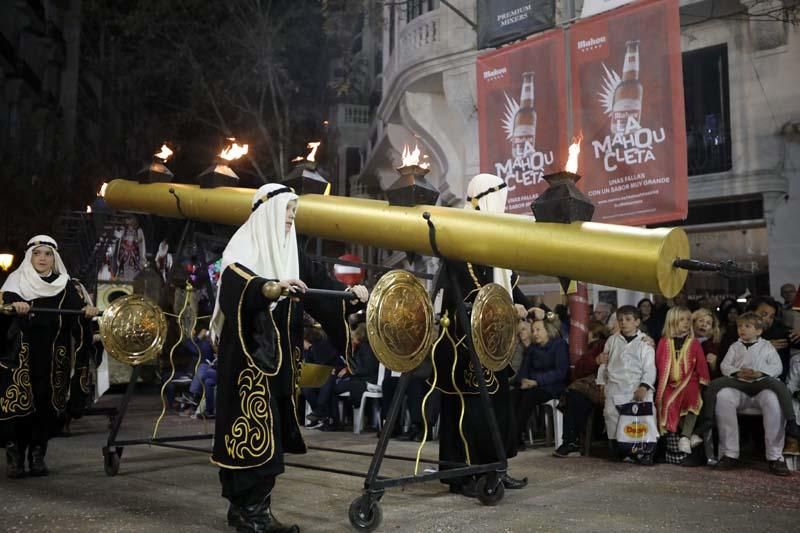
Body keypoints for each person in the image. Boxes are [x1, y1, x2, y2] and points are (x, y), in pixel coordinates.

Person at [210, 184, 368, 533]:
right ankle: (251, 513)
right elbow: (238, 287)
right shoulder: (242, 248)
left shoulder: (292, 252)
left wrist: (350, 297)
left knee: (273, 436)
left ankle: (252, 510)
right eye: (287, 212)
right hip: (248, 363)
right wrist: (270, 288)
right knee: (252, 434)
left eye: (294, 213)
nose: (291, 219)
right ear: (268, 213)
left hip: (282, 363)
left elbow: (321, 289)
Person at [433, 173, 531, 496]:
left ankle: (496, 469)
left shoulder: (496, 241)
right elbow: (463, 291)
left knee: (498, 405)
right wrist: (498, 308)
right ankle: (464, 475)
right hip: (464, 344)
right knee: (470, 409)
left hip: (493, 343)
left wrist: (529, 307)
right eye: (499, 199)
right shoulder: (458, 239)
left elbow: (509, 284)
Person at [0, 235, 99, 478]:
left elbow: (77, 317)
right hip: (21, 355)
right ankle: (15, 457)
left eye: (47, 254)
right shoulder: (14, 282)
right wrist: (16, 310)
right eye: (37, 253)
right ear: (29, 256)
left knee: (46, 404)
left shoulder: (67, 285)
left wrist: (87, 313)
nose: (42, 258)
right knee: (19, 406)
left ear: (54, 258)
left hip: (55, 355)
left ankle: (37, 455)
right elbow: (3, 317)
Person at [712, 312, 793, 475]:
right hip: (739, 388)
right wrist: (738, 373)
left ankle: (775, 456)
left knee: (773, 399)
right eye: (740, 326)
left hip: (761, 389)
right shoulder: (735, 346)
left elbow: (777, 367)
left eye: (747, 326)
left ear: (759, 331)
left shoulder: (767, 346)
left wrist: (759, 373)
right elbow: (725, 366)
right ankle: (730, 453)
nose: (742, 329)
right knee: (723, 396)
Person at [596, 305, 656, 464]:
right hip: (615, 385)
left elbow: (650, 368)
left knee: (643, 418)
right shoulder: (612, 340)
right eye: (620, 319)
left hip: (637, 386)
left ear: (637, 322)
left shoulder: (644, 343)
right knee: (611, 415)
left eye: (628, 319)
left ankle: (644, 452)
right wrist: (602, 382)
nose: (623, 323)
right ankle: (619, 449)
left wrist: (644, 386)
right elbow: (604, 362)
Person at [654, 307, 710, 463]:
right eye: (682, 320)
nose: (686, 323)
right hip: (669, 385)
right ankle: (687, 436)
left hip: (690, 381)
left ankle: (685, 436)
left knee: (691, 395)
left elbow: (701, 365)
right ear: (672, 322)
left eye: (688, 320)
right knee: (666, 401)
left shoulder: (693, 343)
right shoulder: (664, 342)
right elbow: (659, 364)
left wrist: (703, 381)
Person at [553, 320, 610, 458]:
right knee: (574, 397)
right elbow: (579, 370)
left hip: (601, 385)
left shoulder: (600, 345)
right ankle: (571, 441)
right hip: (590, 387)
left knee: (574, 397)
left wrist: (595, 362)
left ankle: (571, 441)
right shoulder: (593, 348)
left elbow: (581, 369)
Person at [513, 318, 569, 450]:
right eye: (533, 330)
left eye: (538, 330)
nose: (535, 333)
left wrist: (537, 381)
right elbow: (524, 369)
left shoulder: (559, 345)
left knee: (529, 397)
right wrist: (522, 381)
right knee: (513, 395)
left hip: (552, 386)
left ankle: (514, 438)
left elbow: (560, 372)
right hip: (532, 384)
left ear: (548, 331)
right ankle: (515, 437)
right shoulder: (532, 348)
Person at [692, 308, 721, 378]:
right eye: (701, 321)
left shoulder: (713, 347)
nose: (704, 324)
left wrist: (714, 367)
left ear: (712, 329)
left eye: (708, 323)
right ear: (693, 322)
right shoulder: (684, 341)